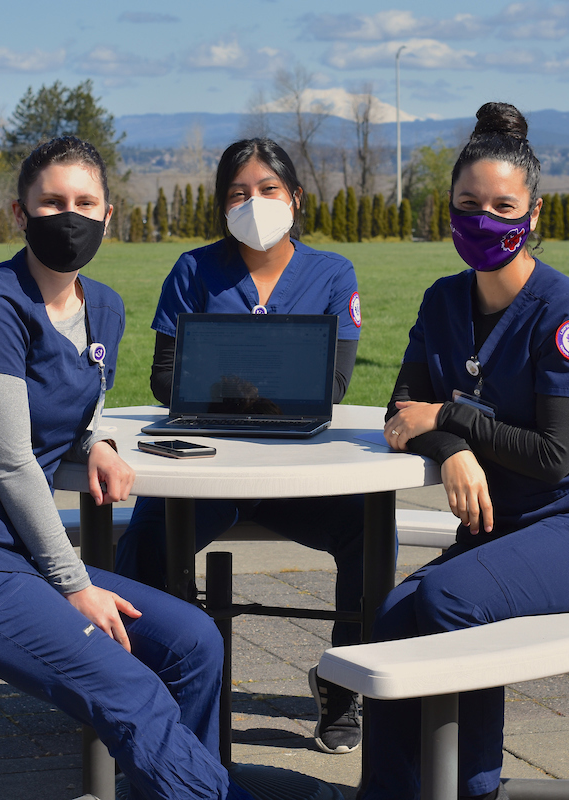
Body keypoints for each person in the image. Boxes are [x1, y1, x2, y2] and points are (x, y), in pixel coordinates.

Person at [0, 137, 253, 800]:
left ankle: (180, 788)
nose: (68, 215)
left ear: (109, 214)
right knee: (130, 687)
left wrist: (99, 442)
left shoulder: (103, 306)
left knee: (194, 642)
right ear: (19, 215)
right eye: (51, 202)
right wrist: (74, 583)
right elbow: (13, 459)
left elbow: (79, 410)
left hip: (15, 560)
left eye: (84, 202)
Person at [355, 103, 569, 800]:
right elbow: (402, 413)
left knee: (452, 596)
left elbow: (553, 456)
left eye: (502, 206)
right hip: (507, 528)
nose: (483, 219)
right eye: (468, 204)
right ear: (447, 207)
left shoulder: (566, 315)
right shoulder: (442, 303)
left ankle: (473, 788)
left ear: (533, 214)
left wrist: (452, 417)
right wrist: (455, 450)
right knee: (396, 615)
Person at [113, 137, 367, 755]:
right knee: (144, 544)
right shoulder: (193, 271)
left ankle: (343, 682)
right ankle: (156, 692)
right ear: (221, 205)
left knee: (370, 529)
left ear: (296, 198)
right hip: (208, 471)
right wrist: (260, 389)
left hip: (293, 473)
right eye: (237, 193)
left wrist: (229, 385)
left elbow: (331, 383)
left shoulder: (333, 274)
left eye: (268, 190)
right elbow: (165, 377)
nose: (253, 202)